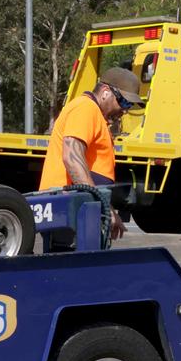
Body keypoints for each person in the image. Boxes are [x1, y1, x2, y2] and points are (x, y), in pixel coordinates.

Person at [39, 67, 146, 240]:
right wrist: (102, 206)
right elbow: (72, 158)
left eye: (129, 105)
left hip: (79, 207)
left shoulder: (96, 115)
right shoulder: (85, 108)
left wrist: (106, 207)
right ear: (105, 92)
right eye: (124, 102)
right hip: (67, 208)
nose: (125, 110)